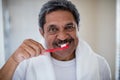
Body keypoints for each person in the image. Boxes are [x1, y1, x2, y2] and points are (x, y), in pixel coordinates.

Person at [0, 0, 111, 80]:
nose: (62, 37)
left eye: (69, 27)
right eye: (53, 29)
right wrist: (14, 60)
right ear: (42, 33)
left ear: (78, 28)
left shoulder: (100, 65)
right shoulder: (24, 64)